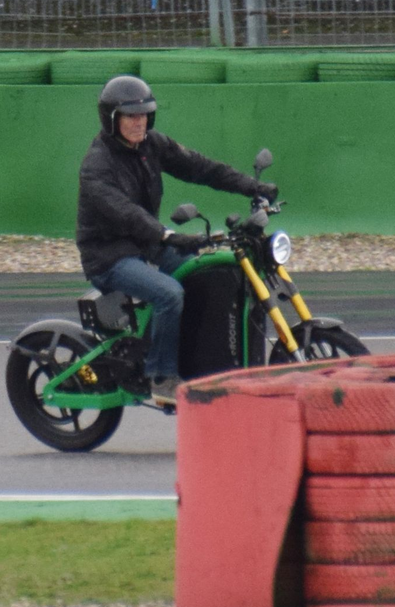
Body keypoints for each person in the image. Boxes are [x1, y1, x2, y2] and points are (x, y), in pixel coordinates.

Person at [76, 75, 278, 406]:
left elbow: (201, 168)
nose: (139, 121)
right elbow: (126, 214)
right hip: (110, 256)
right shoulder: (97, 165)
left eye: (144, 114)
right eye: (130, 115)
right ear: (111, 119)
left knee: (207, 274)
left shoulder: (151, 145)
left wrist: (251, 187)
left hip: (147, 246)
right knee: (169, 293)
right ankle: (161, 378)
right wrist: (168, 235)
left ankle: (200, 363)